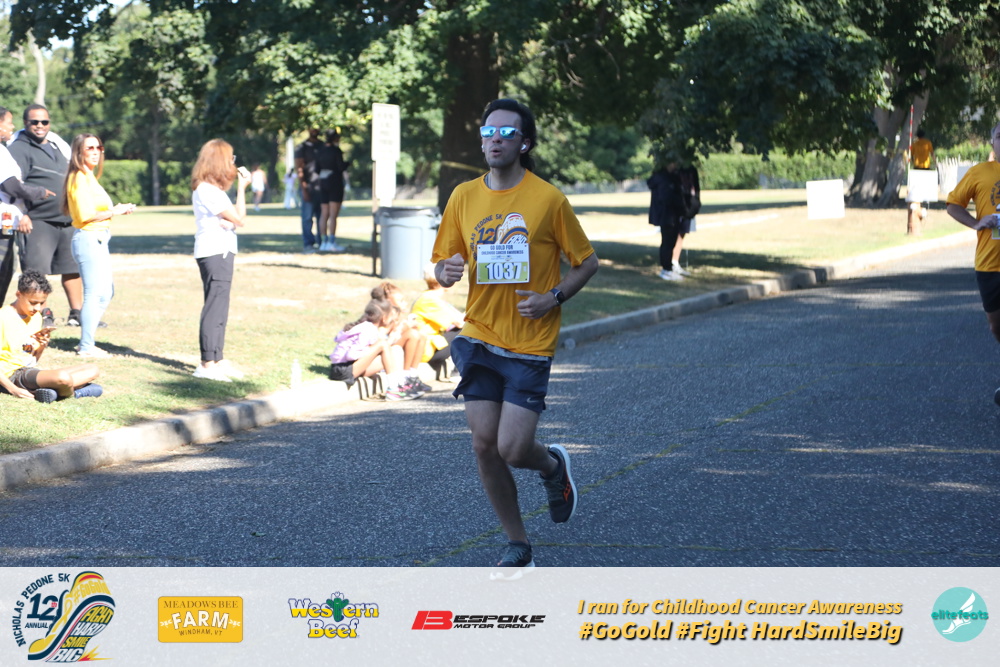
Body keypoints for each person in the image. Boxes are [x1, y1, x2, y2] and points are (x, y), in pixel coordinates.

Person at [431, 98, 599, 577]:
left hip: (529, 341)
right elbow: (442, 265)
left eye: (506, 133)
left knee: (512, 448)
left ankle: (552, 467)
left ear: (524, 143)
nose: (495, 139)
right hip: (479, 336)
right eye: (489, 132)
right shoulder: (464, 196)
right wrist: (445, 271)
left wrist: (553, 298)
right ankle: (518, 544)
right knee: (484, 444)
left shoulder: (548, 200)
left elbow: (586, 262)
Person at [8, 104, 83, 327]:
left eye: (44, 122)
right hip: (37, 220)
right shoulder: (18, 149)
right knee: (36, 271)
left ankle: (77, 313)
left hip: (66, 218)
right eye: (34, 122)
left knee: (72, 269)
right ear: (25, 123)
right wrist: (22, 214)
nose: (40, 126)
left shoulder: (56, 145)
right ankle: (38, 314)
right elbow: (14, 184)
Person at [63, 134, 136, 358]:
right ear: (79, 152)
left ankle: (87, 341)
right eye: (90, 148)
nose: (96, 152)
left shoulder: (89, 176)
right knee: (94, 294)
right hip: (88, 238)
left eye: (98, 147)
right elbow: (86, 215)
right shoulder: (78, 177)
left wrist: (115, 210)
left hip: (99, 238)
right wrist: (116, 211)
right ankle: (86, 346)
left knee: (106, 292)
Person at [946, 120, 1000, 405]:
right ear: (992, 143)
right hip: (989, 264)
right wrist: (977, 223)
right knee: (996, 326)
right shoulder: (979, 172)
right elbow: (953, 205)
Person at [190, 139, 249, 382]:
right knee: (215, 307)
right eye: (231, 159)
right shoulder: (207, 190)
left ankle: (217, 358)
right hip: (215, 251)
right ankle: (207, 363)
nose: (233, 163)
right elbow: (240, 218)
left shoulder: (213, 190)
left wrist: (231, 221)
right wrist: (242, 188)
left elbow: (234, 220)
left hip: (220, 250)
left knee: (220, 306)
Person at [0, 269, 102, 403]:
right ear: (19, 294)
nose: (37, 308)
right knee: (63, 378)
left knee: (92, 369)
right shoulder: (3, 317)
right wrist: (13, 389)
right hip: (10, 375)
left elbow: (31, 361)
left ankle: (52, 392)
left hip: (27, 371)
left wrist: (41, 347)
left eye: (41, 303)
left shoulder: (36, 317)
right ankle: (72, 393)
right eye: (33, 302)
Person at [0, 105, 54, 306]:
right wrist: (38, 192)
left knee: (6, 271)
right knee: (2, 272)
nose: (12, 127)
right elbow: (11, 186)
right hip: (1, 225)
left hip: (6, 224)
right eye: (8, 122)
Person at [328, 299, 423, 401]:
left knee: (394, 350)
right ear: (384, 318)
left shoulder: (366, 327)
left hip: (346, 368)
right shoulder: (368, 329)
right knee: (383, 344)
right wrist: (370, 352)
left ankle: (401, 384)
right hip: (343, 371)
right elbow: (351, 355)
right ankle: (394, 390)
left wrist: (371, 354)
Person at [370, 280, 431, 392]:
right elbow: (384, 337)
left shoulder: (396, 314)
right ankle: (405, 376)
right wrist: (404, 328)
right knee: (412, 335)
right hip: (384, 353)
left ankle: (413, 375)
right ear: (389, 302)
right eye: (401, 301)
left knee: (421, 335)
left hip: (393, 347)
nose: (405, 303)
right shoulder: (383, 316)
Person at [411, 263, 465, 380]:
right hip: (427, 350)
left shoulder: (430, 297)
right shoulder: (430, 300)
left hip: (432, 345)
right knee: (466, 330)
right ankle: (457, 372)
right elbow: (460, 323)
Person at [648, 162, 699, 281]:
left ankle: (668, 268)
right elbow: (666, 197)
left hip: (670, 214)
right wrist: (680, 203)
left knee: (670, 242)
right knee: (667, 242)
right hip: (667, 215)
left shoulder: (667, 178)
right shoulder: (664, 179)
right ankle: (666, 270)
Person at [316, 129, 348, 252]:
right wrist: (347, 164)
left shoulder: (320, 150)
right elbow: (340, 166)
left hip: (323, 182)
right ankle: (332, 241)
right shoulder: (336, 151)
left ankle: (323, 242)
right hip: (335, 183)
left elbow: (316, 169)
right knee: (333, 215)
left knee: (324, 214)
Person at [294, 128, 323, 253]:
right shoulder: (302, 147)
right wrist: (304, 188)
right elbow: (299, 169)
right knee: (307, 217)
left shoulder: (323, 146)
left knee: (322, 217)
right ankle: (308, 243)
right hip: (308, 187)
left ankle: (322, 242)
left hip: (322, 187)